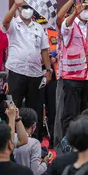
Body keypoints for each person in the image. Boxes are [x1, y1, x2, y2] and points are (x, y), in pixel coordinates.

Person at [2, 0, 52, 142]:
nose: (27, 9)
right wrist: (15, 6)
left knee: (35, 108)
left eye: (29, 7)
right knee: (12, 105)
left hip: (35, 74)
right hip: (16, 72)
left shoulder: (39, 27)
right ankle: (8, 141)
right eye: (24, 7)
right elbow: (4, 22)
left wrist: (48, 70)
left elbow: (44, 50)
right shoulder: (13, 24)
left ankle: (34, 141)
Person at [60, 0, 88, 136]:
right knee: (70, 114)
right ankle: (68, 145)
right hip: (72, 77)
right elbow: (65, 27)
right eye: (84, 7)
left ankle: (86, 145)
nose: (87, 10)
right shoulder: (70, 24)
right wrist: (74, 14)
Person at [54, 0, 87, 149]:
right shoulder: (65, 27)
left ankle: (76, 144)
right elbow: (59, 17)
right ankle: (61, 145)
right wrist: (72, 0)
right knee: (63, 113)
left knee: (78, 113)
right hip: (65, 76)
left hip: (82, 78)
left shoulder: (85, 28)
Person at [33, 11, 57, 149]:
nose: (43, 25)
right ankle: (37, 139)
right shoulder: (32, 32)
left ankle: (54, 138)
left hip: (52, 74)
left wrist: (55, 57)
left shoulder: (54, 32)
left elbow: (59, 49)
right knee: (37, 108)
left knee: (53, 108)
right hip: (36, 73)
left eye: (45, 21)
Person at [13, 108, 49, 175]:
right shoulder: (34, 143)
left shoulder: (10, 137)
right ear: (34, 125)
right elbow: (35, 172)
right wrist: (45, 163)